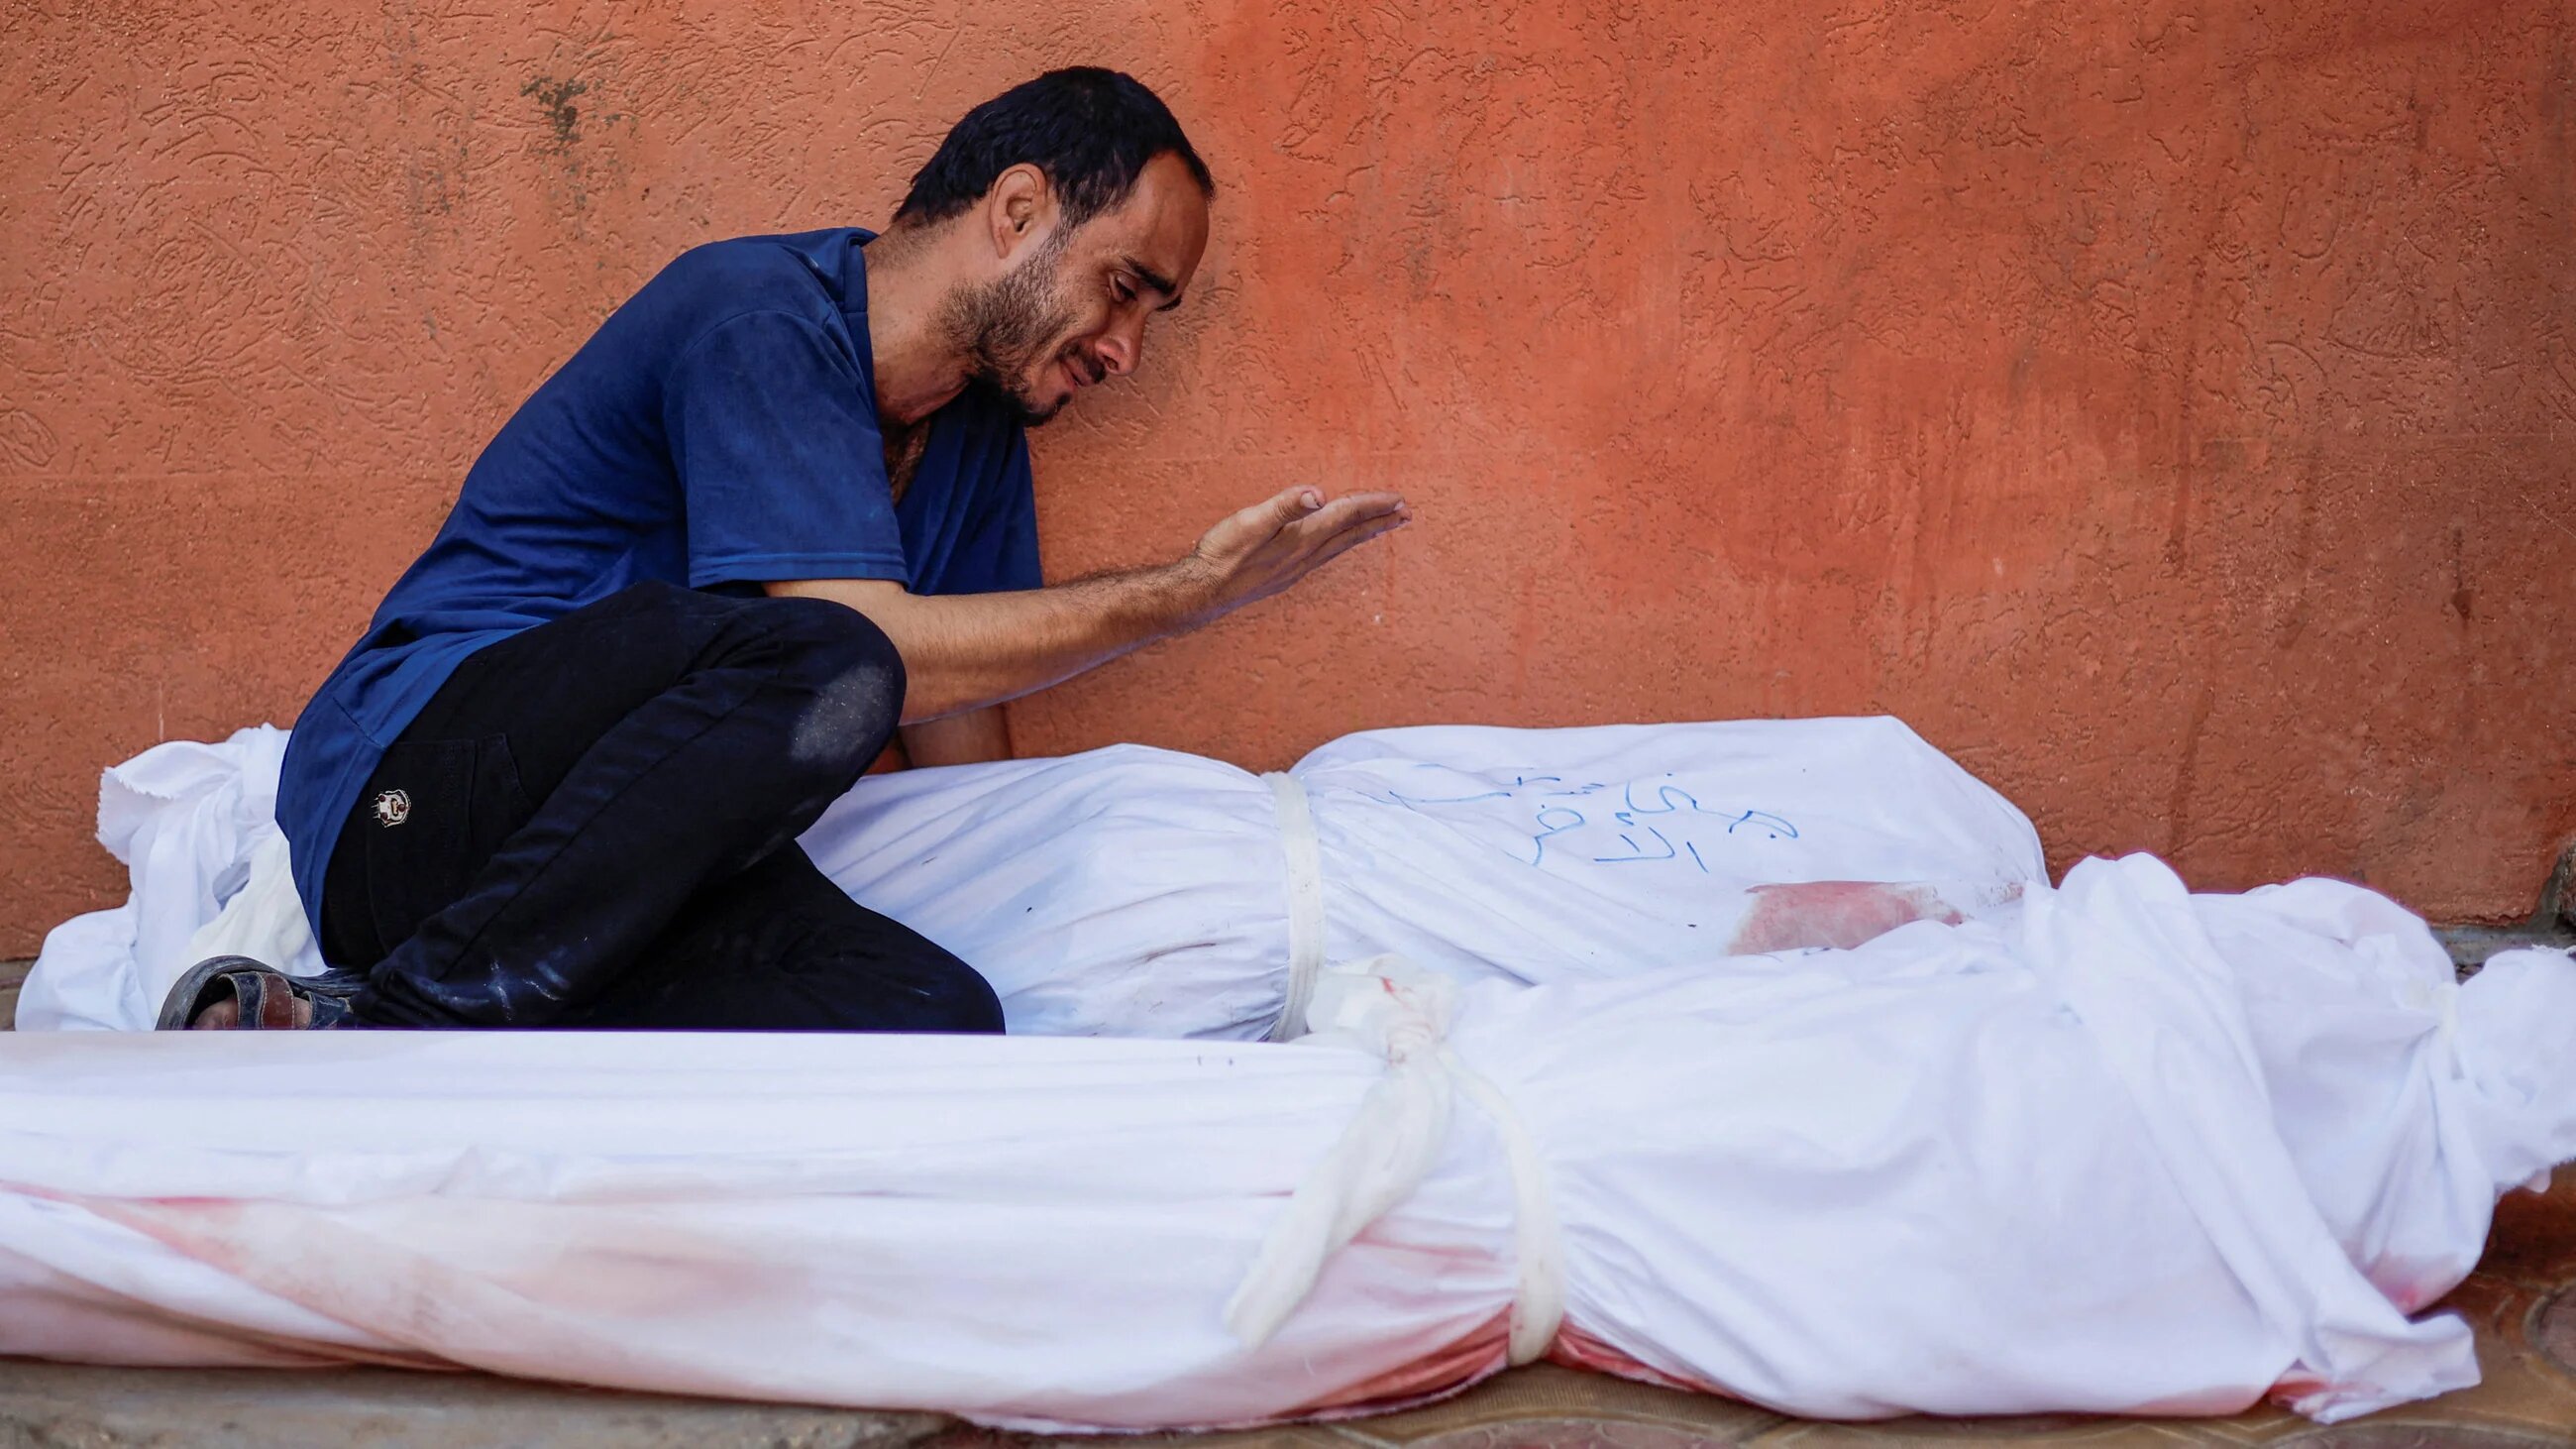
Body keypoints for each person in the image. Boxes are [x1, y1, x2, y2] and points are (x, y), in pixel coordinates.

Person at [159, 67, 1409, 1033]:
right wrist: (1181, 598)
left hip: (591, 886)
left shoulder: (973, 440)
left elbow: (952, 770)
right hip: (417, 792)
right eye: (1124, 286)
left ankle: (351, 1019)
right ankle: (410, 1016)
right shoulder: (754, 317)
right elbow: (864, 661)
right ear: (1018, 210)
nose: (1125, 347)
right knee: (839, 654)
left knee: (929, 1016)